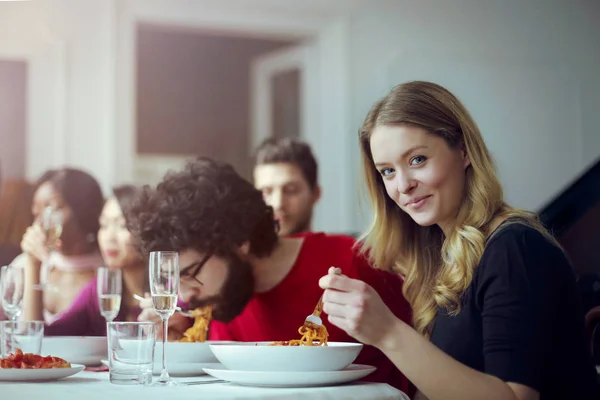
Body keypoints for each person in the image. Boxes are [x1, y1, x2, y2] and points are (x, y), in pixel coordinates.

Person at [318, 81, 600, 400]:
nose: (403, 185)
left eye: (417, 160)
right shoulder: (443, 255)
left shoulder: (515, 248)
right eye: (387, 171)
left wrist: (387, 332)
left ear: (463, 151)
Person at [131, 157, 413, 394]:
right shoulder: (223, 303)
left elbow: (416, 372)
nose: (184, 295)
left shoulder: (354, 263)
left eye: (189, 274)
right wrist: (182, 345)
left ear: (237, 239)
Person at [37, 185, 148, 336]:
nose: (109, 237)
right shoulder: (100, 289)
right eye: (104, 225)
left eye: (122, 226)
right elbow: (48, 335)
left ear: (148, 230)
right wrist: (33, 262)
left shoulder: (170, 295)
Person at [20, 168, 105, 324]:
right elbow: (25, 337)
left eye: (52, 207)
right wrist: (33, 264)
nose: (40, 218)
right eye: (36, 208)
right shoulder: (22, 264)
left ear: (83, 210)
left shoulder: (105, 274)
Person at [253, 138, 321, 236]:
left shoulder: (342, 250)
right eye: (266, 192)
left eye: (290, 190)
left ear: (315, 194)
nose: (278, 204)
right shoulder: (237, 250)